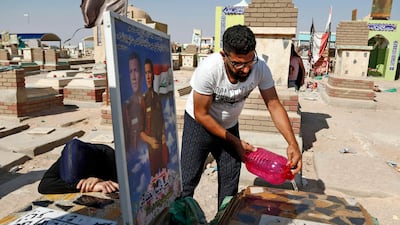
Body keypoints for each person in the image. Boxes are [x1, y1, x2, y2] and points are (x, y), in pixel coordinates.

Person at [180, 25, 302, 208]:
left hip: (229, 126)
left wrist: (292, 143)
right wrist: (235, 142)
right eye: (238, 64)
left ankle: (223, 219)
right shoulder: (210, 69)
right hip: (199, 126)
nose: (245, 70)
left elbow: (274, 105)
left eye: (249, 61)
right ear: (224, 55)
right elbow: (201, 114)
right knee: (187, 182)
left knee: (230, 184)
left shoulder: (260, 68)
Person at [38, 138, 118, 194]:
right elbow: (44, 186)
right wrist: (89, 186)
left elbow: (122, 185)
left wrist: (101, 181)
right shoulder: (68, 158)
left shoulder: (108, 156)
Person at [140, 58, 169, 177]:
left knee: (164, 177)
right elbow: (139, 131)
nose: (148, 76)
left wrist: (163, 134)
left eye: (149, 73)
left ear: (153, 75)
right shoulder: (142, 100)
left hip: (160, 146)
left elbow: (162, 119)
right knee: (154, 179)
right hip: (149, 150)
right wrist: (150, 141)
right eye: (145, 73)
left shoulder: (157, 97)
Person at [123, 52, 143, 154]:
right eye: (131, 72)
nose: (133, 77)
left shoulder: (150, 103)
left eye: (136, 71)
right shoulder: (127, 108)